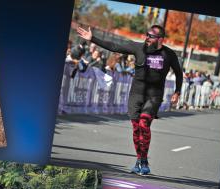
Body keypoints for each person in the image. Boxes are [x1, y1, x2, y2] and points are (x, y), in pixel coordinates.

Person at [76, 24, 183, 175]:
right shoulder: (138, 48)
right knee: (136, 128)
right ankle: (139, 159)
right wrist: (92, 38)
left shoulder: (169, 54)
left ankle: (144, 160)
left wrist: (177, 92)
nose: (147, 38)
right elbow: (114, 46)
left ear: (160, 39)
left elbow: (179, 73)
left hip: (154, 95)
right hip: (136, 94)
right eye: (146, 34)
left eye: (151, 36)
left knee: (144, 124)